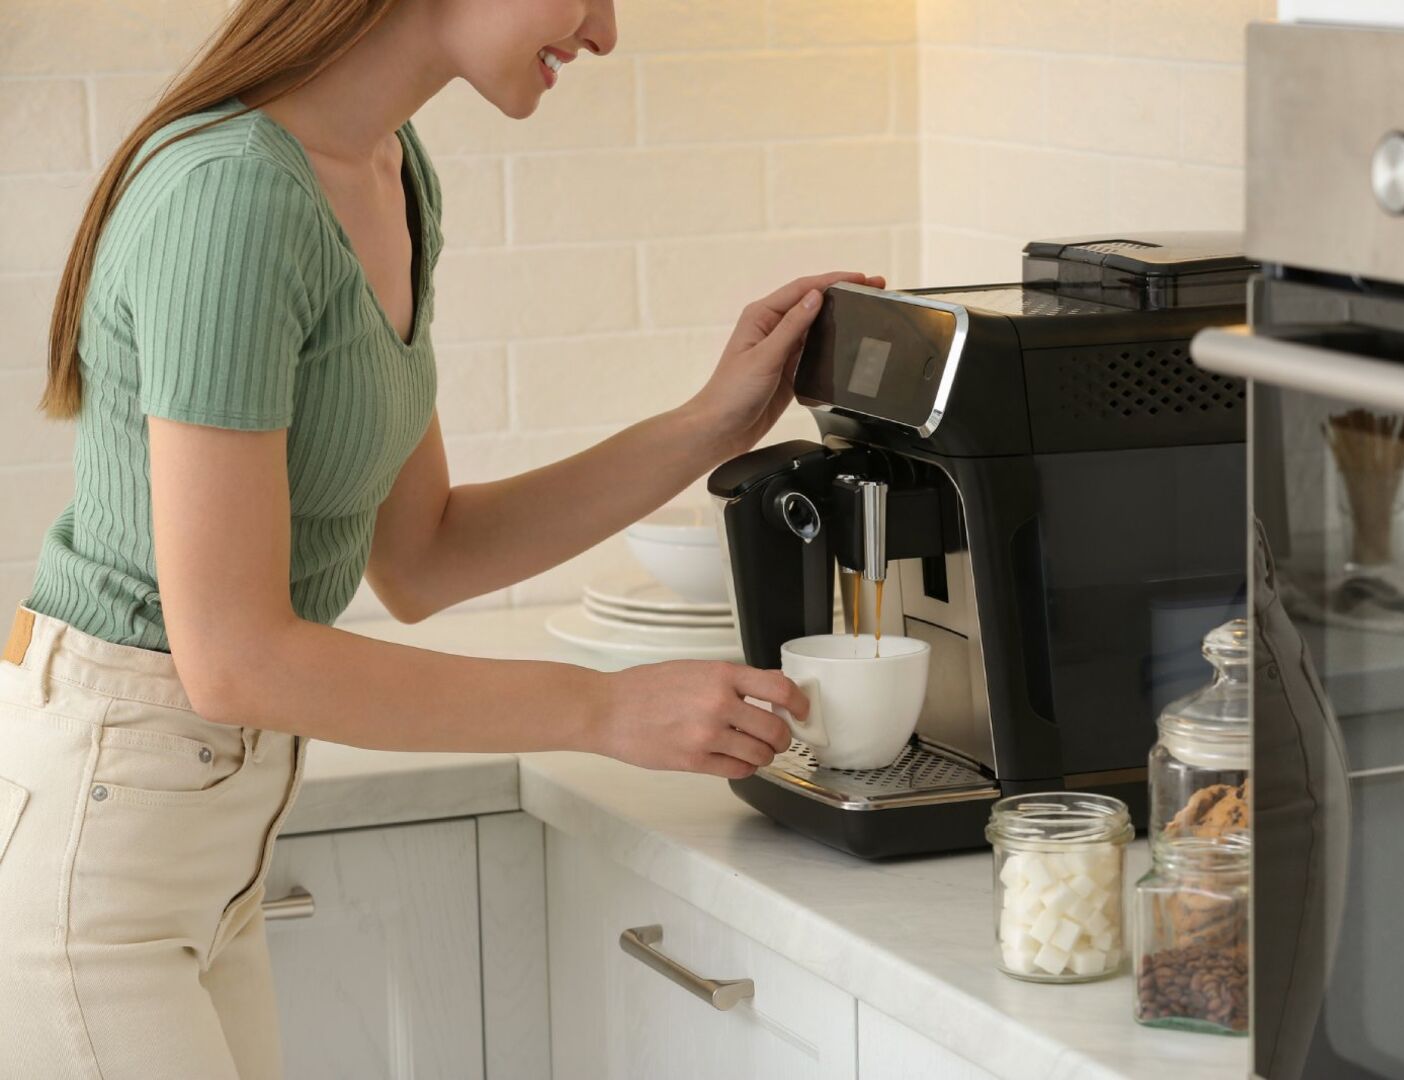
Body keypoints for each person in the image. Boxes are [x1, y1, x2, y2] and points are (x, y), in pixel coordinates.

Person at [0, 1, 883, 1075]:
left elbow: (425, 553)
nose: (603, 33)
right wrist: (600, 708)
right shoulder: (228, 194)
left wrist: (710, 421)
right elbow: (233, 657)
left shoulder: (387, 171)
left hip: (206, 842)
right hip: (106, 840)